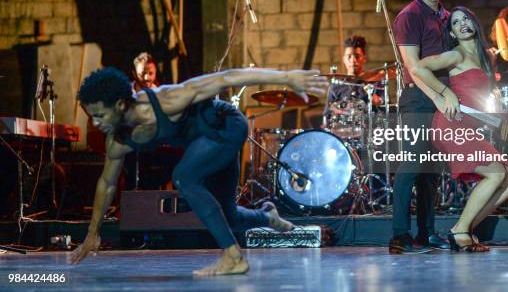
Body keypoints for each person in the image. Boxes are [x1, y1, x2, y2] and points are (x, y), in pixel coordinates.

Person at [69, 67, 328, 275]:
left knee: (185, 177)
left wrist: (286, 77)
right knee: (230, 219)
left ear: (120, 105)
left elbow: (226, 77)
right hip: (207, 143)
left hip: (227, 125)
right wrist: (93, 233)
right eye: (91, 116)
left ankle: (232, 257)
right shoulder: (118, 141)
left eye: (99, 115)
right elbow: (107, 183)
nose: (95, 123)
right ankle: (268, 217)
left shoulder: (167, 99)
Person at [412, 6, 508, 251]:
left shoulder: (486, 57)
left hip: (468, 126)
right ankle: (459, 230)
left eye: (466, 19)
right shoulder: (456, 55)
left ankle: (466, 228)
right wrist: (444, 93)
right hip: (450, 125)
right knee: (495, 174)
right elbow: (418, 68)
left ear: (474, 22)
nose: (462, 24)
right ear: (452, 33)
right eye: (455, 23)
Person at [390, 0, 451, 253]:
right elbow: (413, 67)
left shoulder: (447, 16)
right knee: (412, 165)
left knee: (431, 172)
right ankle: (399, 235)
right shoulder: (409, 16)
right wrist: (441, 96)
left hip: (441, 99)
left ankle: (427, 232)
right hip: (418, 99)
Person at [323, 35, 382, 121]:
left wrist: (376, 100)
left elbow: (387, 110)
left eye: (357, 56)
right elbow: (327, 117)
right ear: (343, 59)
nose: (353, 60)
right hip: (341, 132)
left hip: (369, 131)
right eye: (349, 56)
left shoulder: (375, 83)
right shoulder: (335, 87)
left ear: (364, 58)